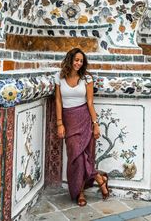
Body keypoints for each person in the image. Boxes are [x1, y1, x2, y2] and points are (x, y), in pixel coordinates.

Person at [55, 47, 109, 207]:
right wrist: (59, 123)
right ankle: (100, 179)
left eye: (81, 61)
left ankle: (81, 193)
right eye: (76, 60)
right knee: (75, 157)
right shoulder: (59, 77)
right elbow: (58, 101)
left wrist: (96, 124)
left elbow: (90, 103)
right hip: (68, 120)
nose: (78, 63)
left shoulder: (87, 78)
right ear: (70, 59)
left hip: (84, 119)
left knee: (84, 156)